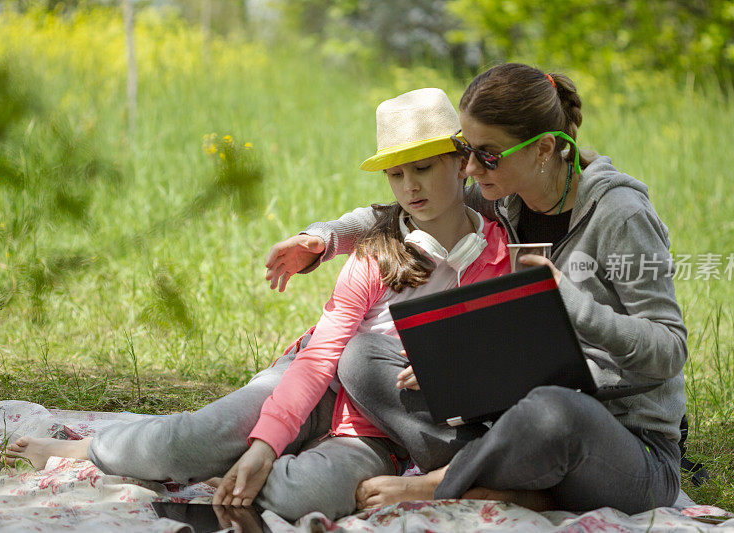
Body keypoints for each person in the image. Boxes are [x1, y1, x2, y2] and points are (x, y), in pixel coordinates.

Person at [5, 88, 510, 521]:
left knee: (300, 494)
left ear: (461, 161)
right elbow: (318, 359)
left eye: (423, 168)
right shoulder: (375, 252)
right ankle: (92, 449)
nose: (410, 187)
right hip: (317, 380)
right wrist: (266, 443)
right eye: (396, 175)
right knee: (190, 439)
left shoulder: (500, 255)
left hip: (378, 425)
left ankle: (246, 463)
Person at [265, 63, 687, 514]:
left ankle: (442, 482)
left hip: (619, 443)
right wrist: (326, 239)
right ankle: (511, 485)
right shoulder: (502, 192)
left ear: (543, 149)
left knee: (554, 411)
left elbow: (668, 348)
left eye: (486, 154)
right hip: (512, 411)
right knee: (364, 356)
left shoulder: (621, 215)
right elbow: (400, 211)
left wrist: (573, 304)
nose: (467, 167)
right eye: (466, 149)